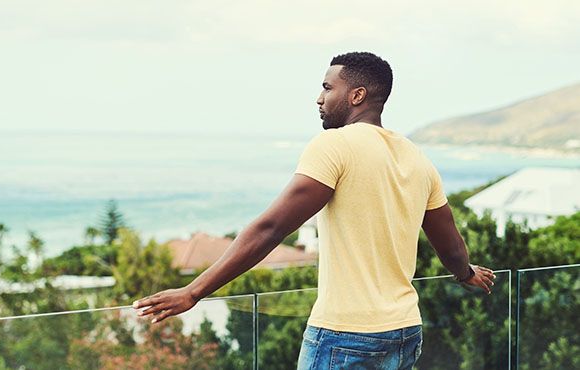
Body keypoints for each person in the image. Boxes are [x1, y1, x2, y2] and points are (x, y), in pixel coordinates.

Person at [132, 51, 497, 369]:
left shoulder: (334, 146)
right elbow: (448, 244)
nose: (319, 98)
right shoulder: (417, 158)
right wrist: (465, 274)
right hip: (403, 331)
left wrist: (194, 292)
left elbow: (270, 229)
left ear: (357, 95)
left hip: (346, 335)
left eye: (327, 88)